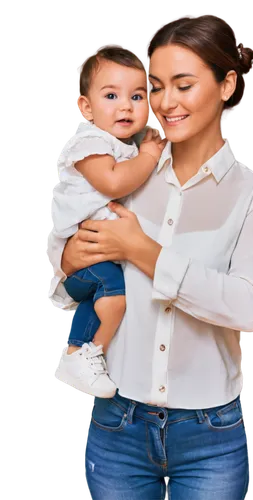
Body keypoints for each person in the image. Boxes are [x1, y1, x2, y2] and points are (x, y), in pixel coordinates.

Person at [47, 14, 253, 500]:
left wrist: (141, 250)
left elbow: (248, 308)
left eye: (185, 84)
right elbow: (69, 258)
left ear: (227, 84)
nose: (166, 103)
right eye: (155, 87)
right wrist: (68, 255)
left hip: (211, 435)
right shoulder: (121, 172)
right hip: (117, 426)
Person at [49, 43, 166, 398]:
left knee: (100, 300)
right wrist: (148, 154)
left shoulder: (124, 143)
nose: (126, 106)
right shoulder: (91, 142)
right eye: (111, 95)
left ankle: (77, 350)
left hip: (98, 258)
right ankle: (86, 353)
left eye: (137, 96)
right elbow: (114, 181)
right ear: (85, 107)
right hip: (84, 257)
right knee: (115, 297)